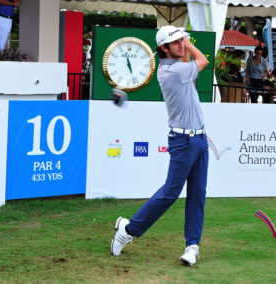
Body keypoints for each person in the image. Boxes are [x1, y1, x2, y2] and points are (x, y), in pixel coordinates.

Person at [110, 25, 209, 267]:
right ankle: (128, 230)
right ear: (164, 48)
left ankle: (192, 246)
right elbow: (202, 59)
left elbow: (187, 58)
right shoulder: (172, 72)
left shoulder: (178, 66)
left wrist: (180, 41)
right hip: (183, 142)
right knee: (170, 193)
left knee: (197, 194)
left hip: (200, 139)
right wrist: (187, 39)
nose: (181, 44)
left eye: (181, 41)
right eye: (175, 42)